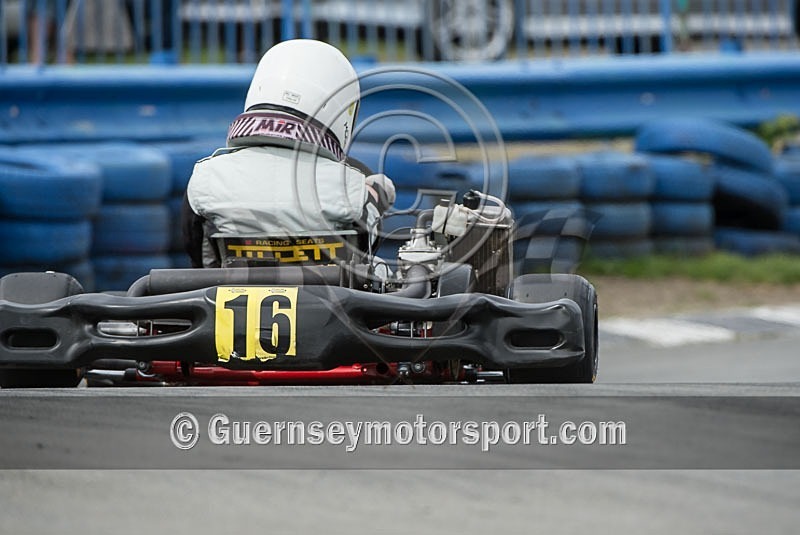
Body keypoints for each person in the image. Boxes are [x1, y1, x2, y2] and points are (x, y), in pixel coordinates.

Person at [182, 39, 395, 269]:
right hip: (329, 303)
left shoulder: (206, 179)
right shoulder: (352, 189)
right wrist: (376, 192)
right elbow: (365, 256)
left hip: (226, 301)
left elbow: (199, 263)